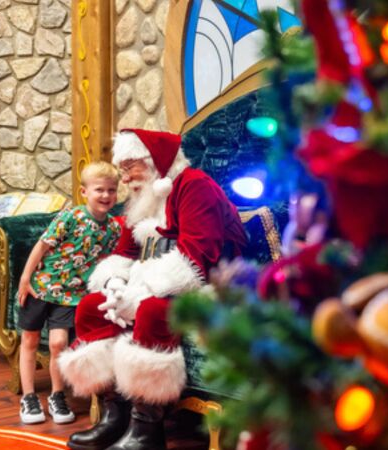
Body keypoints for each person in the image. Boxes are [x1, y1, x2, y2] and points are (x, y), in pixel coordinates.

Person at [57, 129, 247, 450]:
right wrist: (116, 287)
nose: (126, 175)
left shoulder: (194, 186)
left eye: (132, 165)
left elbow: (195, 259)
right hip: (160, 282)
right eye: (124, 167)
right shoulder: (142, 198)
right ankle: (113, 415)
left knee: (152, 310)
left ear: (155, 161)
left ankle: (147, 428)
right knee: (92, 305)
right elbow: (123, 254)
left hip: (212, 285)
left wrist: (138, 295)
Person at [16, 161, 122, 425]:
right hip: (41, 288)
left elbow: (108, 261)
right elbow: (41, 246)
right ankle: (28, 396)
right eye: (100, 190)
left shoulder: (113, 229)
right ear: (84, 192)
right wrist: (25, 278)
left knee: (58, 345)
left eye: (112, 190)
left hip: (71, 296)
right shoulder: (70, 217)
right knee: (29, 340)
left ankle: (57, 394)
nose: (106, 196)